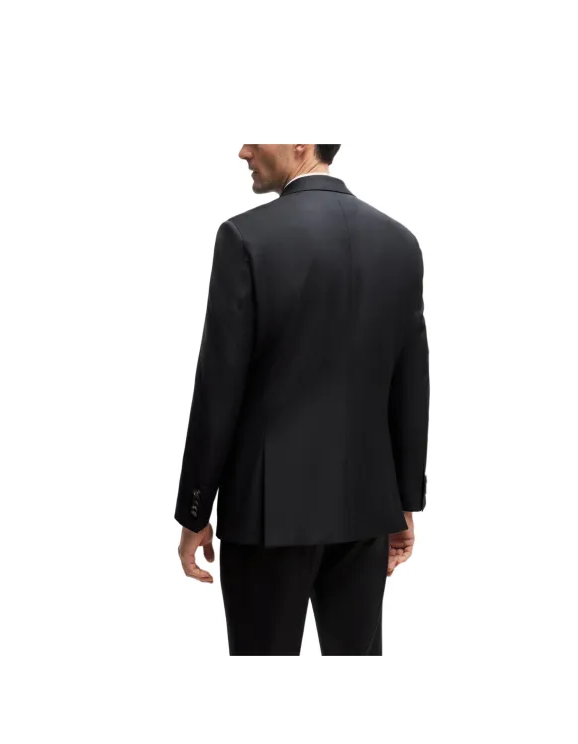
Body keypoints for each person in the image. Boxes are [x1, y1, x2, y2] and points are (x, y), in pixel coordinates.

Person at [175, 144, 429, 655]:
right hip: (366, 511)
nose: (244, 150)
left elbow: (218, 388)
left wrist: (195, 510)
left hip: (268, 516)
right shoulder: (400, 242)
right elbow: (411, 384)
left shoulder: (245, 237)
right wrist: (404, 502)